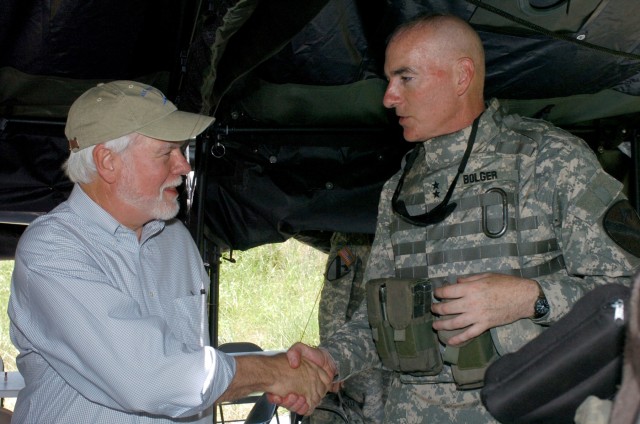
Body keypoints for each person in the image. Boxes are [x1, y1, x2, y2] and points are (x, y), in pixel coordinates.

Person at [274, 13, 640, 423]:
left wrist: (531, 298)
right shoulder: (400, 189)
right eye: (389, 80)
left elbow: (629, 296)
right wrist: (328, 361)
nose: (388, 97)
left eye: (405, 78)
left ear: (462, 76)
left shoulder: (548, 159)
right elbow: (376, 323)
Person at [7, 80, 330, 423]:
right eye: (166, 153)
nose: (184, 166)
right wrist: (272, 371)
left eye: (183, 150)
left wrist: (287, 364)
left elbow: (190, 365)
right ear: (108, 162)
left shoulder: (175, 240)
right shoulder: (51, 252)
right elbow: (151, 377)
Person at [305, 232, 391, 424]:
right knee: (365, 415)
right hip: (356, 353)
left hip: (393, 351)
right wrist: (333, 356)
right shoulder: (351, 237)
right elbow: (333, 301)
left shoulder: (394, 233)